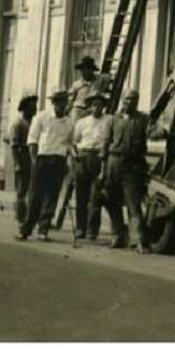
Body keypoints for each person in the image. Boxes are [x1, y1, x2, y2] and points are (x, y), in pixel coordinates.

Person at [17, 88, 74, 242]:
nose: (61, 105)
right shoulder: (42, 117)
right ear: (53, 102)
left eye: (64, 101)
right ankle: (26, 230)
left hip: (59, 162)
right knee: (35, 196)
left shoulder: (69, 122)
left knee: (52, 197)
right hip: (42, 160)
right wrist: (35, 160)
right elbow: (32, 140)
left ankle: (44, 230)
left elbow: (69, 144)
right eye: (58, 101)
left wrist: (67, 162)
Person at [102, 88, 151, 253]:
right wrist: (103, 170)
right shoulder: (113, 120)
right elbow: (105, 144)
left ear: (137, 102)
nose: (128, 102)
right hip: (113, 162)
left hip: (132, 165)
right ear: (122, 100)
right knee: (112, 201)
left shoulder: (142, 119)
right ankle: (117, 236)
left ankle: (140, 241)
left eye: (132, 100)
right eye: (126, 99)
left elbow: (153, 131)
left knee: (133, 204)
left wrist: (163, 131)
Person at [70, 91, 112, 240]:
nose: (97, 108)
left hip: (99, 159)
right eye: (94, 105)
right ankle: (80, 228)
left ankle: (92, 230)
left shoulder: (109, 121)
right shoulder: (82, 123)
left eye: (100, 105)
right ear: (90, 106)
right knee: (81, 196)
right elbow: (73, 143)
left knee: (95, 197)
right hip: (83, 158)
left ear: (104, 106)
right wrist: (75, 157)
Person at [4, 89, 38, 225]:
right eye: (32, 106)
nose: (34, 109)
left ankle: (30, 216)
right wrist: (17, 164)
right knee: (21, 190)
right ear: (25, 108)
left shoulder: (34, 123)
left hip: (32, 157)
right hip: (22, 156)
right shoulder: (17, 123)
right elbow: (13, 146)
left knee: (33, 189)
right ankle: (20, 216)